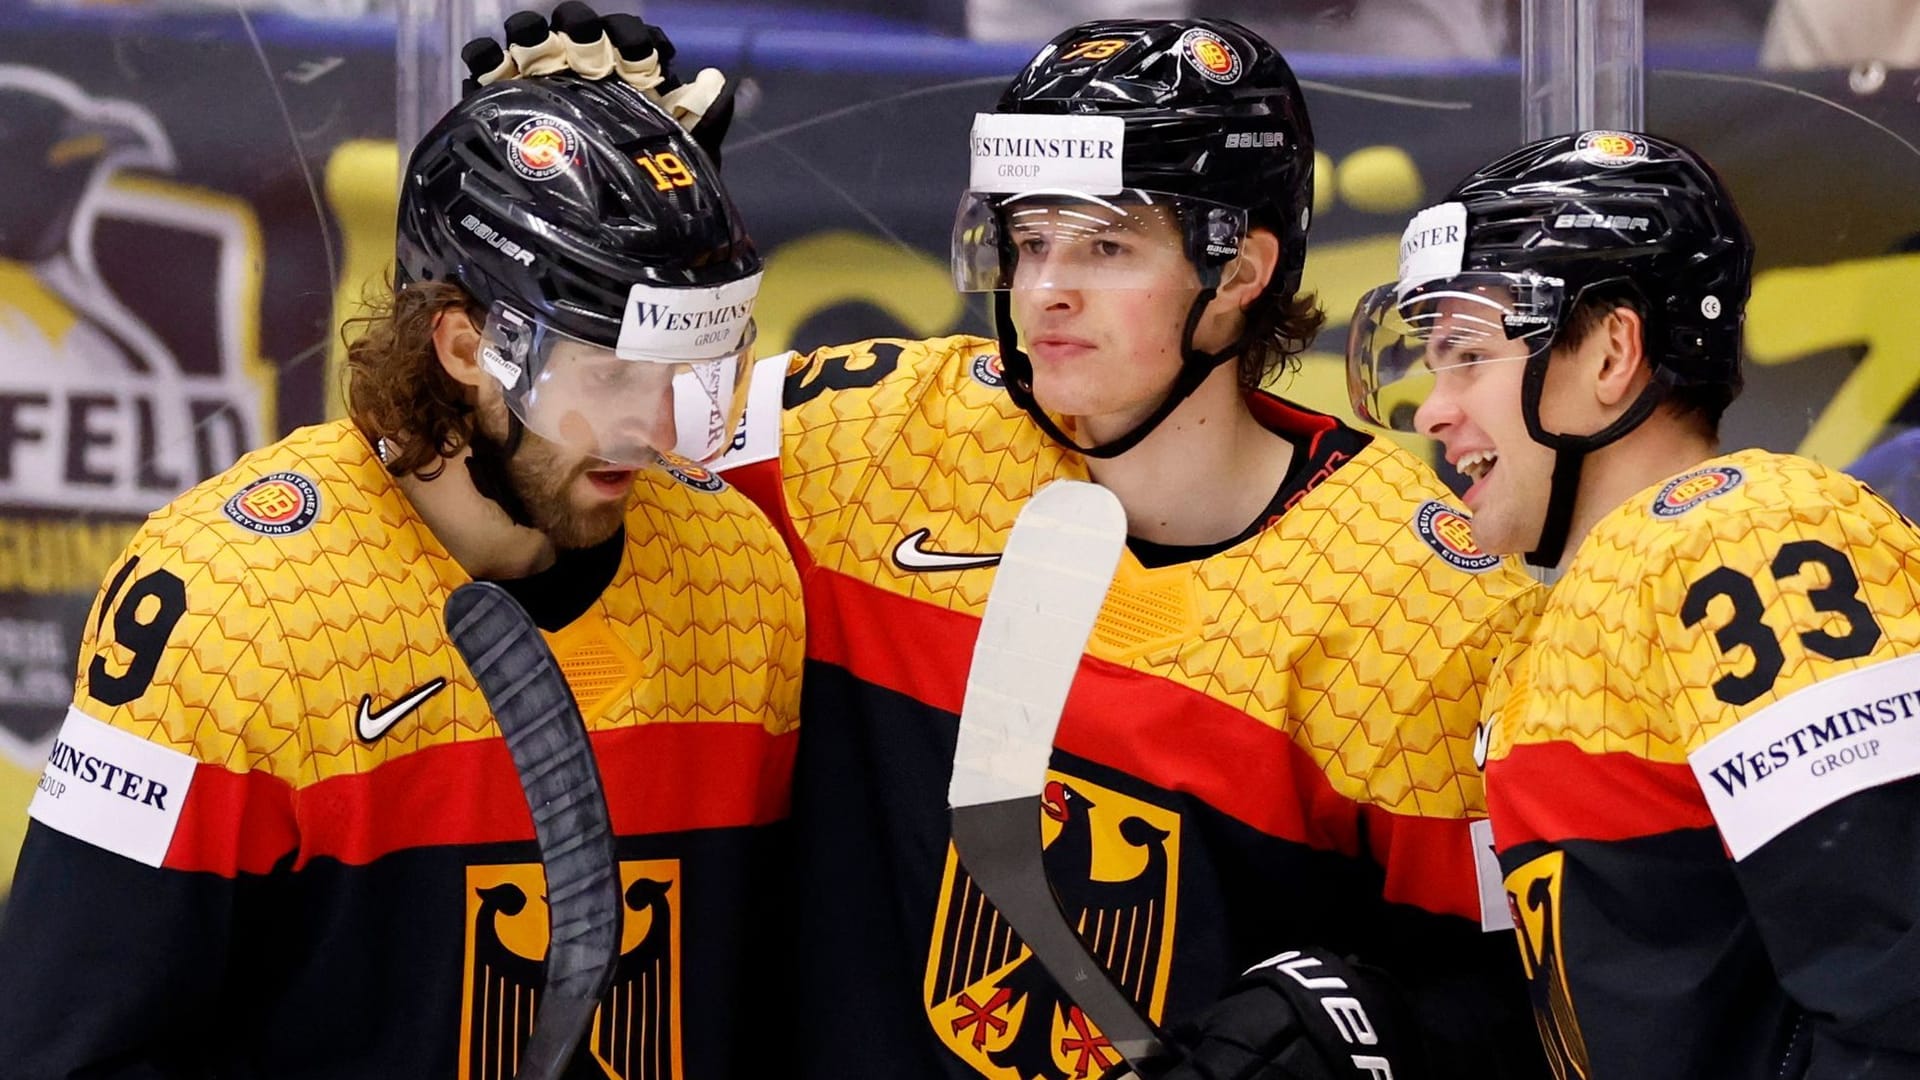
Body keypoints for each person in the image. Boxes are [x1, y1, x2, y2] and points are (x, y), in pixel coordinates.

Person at [464, 10, 1551, 1078]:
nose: (1045, 291)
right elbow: (548, 468)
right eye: (1029, 240)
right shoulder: (865, 437)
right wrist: (583, 244)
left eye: (1107, 245)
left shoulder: (1424, 604)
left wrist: (1361, 1027)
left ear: (1241, 270)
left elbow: (1524, 1001)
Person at [0, 72, 804, 1078]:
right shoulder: (229, 603)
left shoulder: (738, 576)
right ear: (465, 344)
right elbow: (60, 1047)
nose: (656, 427)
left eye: (691, 370)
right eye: (608, 372)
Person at [1348, 129, 1920, 1078]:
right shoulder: (1564, 613)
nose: (1432, 408)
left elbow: (1899, 990)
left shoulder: (1747, 536)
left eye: (1467, 355)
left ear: (1613, 351)